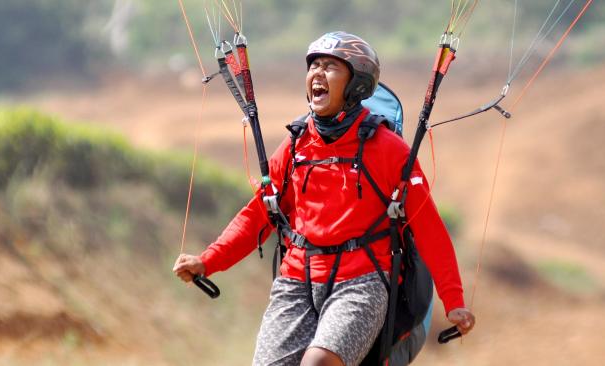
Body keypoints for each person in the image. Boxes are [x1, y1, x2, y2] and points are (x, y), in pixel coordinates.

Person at [173, 31, 475, 366]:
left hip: (362, 283)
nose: (317, 73)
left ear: (357, 85)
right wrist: (208, 261)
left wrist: (453, 299)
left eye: (330, 66)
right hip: (297, 280)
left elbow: (428, 228)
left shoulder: (389, 150)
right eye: (313, 65)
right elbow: (258, 215)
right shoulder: (295, 146)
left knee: (318, 364)